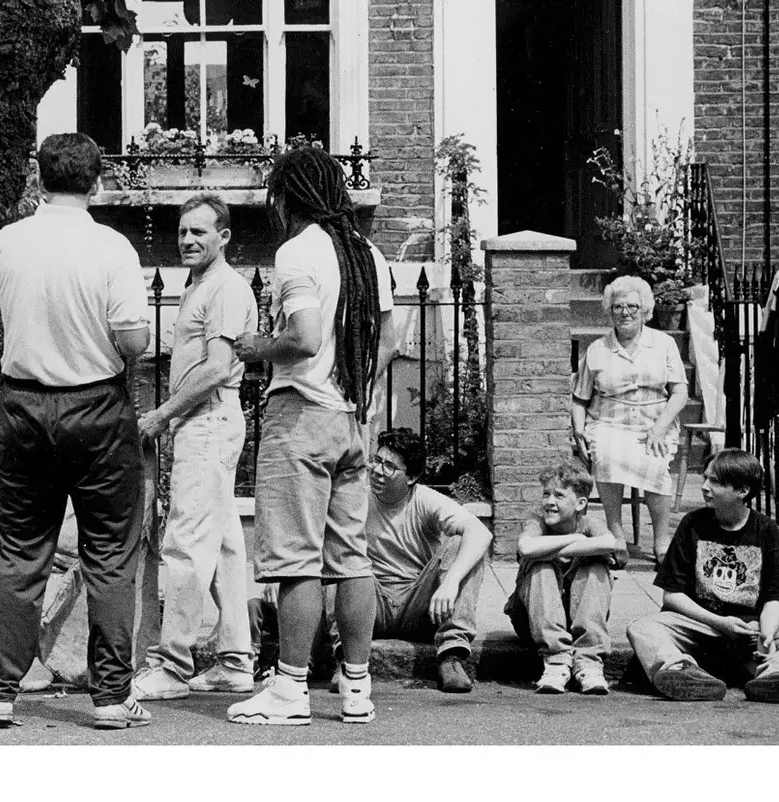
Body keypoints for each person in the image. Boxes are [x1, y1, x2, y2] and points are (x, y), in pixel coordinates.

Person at [0, 133, 153, 732]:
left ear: (37, 177)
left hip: (23, 406)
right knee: (110, 554)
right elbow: (135, 342)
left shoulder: (8, 241)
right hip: (97, 407)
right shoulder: (113, 247)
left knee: (20, 550)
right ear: (97, 182)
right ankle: (112, 697)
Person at [227, 146, 396, 726]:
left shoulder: (298, 251)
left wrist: (257, 347)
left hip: (300, 416)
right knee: (351, 558)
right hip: (349, 420)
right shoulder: (368, 253)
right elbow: (389, 341)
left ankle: (290, 689)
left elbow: (302, 338)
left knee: (295, 561)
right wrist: (357, 387)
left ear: (290, 196)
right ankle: (356, 689)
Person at [131, 195, 259, 701]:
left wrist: (162, 415)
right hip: (204, 423)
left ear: (223, 237)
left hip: (207, 422)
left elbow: (216, 368)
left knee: (184, 544)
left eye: (199, 232)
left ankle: (172, 666)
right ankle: (235, 661)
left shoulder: (224, 288)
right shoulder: (199, 285)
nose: (187, 240)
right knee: (224, 547)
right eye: (183, 231)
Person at [627, 449, 779, 703]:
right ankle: (682, 672)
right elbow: (672, 596)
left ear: (742, 491)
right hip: (699, 627)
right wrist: (721, 623)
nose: (705, 487)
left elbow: (774, 599)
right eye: (705, 478)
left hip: (749, 630)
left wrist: (767, 636)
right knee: (642, 628)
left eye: (715, 482)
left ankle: (775, 677)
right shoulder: (692, 523)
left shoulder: (766, 529)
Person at [343, 427, 491, 693]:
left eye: (389, 466)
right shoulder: (357, 499)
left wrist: (450, 582)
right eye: (376, 460)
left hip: (420, 606)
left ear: (411, 477)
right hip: (371, 602)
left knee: (463, 544)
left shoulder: (424, 499)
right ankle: (343, 659)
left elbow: (481, 532)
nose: (377, 471)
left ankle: (451, 657)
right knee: (337, 548)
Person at [572, 275, 689, 564]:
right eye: (618, 307)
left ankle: (661, 539)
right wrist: (578, 430)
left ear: (645, 310)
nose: (625, 312)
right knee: (606, 455)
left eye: (632, 307)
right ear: (610, 311)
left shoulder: (664, 344)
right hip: (608, 422)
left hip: (654, 423)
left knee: (654, 462)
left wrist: (659, 429)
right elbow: (579, 398)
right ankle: (616, 533)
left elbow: (680, 393)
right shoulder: (597, 349)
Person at [505, 463, 624, 695]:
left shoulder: (590, 524)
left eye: (559, 495)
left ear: (580, 503)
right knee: (540, 566)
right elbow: (527, 547)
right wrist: (577, 540)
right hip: (532, 621)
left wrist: (552, 550)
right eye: (546, 494)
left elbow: (611, 543)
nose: (549, 502)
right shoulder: (537, 522)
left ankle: (589, 662)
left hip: (577, 617)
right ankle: (556, 661)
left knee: (595, 566)